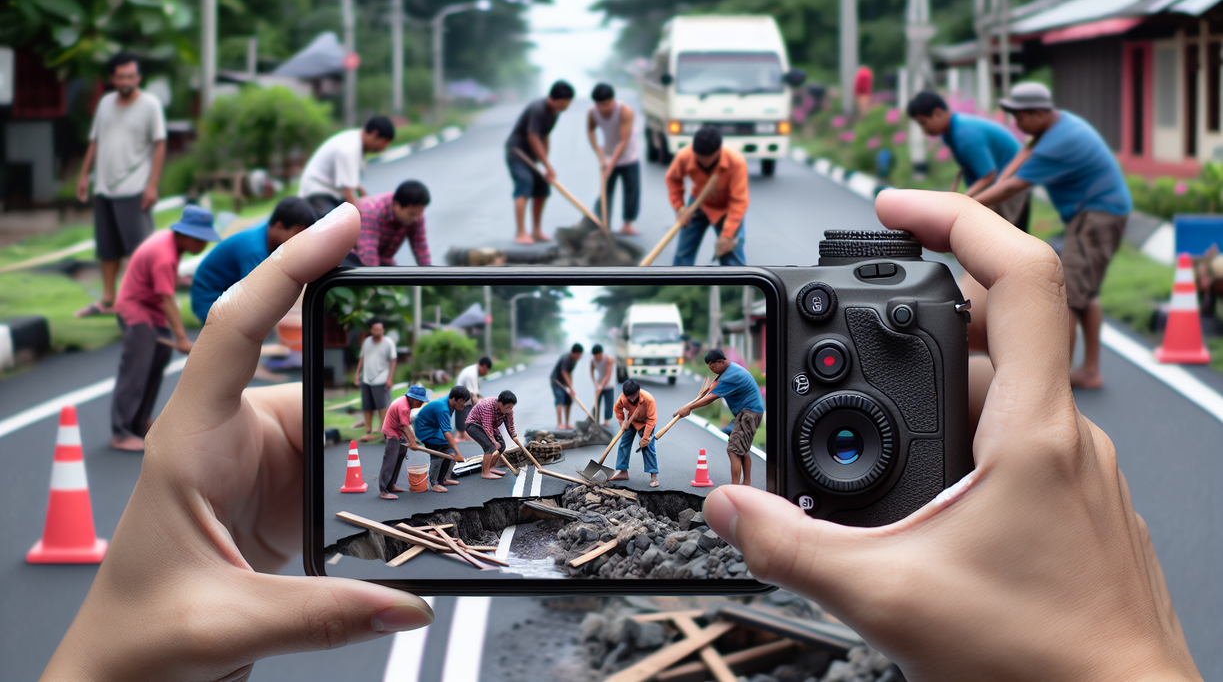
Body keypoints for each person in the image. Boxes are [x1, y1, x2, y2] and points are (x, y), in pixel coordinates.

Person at [37, 199, 1202, 682]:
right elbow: (466, 433)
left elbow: (677, 410)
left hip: (704, 418)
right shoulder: (470, 407)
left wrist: (663, 443)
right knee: (476, 466)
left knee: (728, 464)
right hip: (466, 427)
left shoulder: (720, 388)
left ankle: (762, 493)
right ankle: (755, 491)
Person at [973, 82, 1132, 390]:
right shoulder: (1054, 127)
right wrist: (988, 191)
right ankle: (1089, 370)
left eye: (1020, 117)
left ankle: (1059, 381)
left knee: (1070, 299)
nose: (1017, 124)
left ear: (1039, 113)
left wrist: (967, 205)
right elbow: (1020, 158)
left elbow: (1013, 186)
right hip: (1098, 212)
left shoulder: (1061, 140)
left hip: (1097, 216)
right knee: (1085, 294)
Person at [109, 205, 220, 450]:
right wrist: (181, 337)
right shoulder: (164, 255)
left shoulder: (171, 245)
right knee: (136, 370)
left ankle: (139, 421)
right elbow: (166, 299)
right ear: (187, 236)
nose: (203, 246)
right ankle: (121, 431)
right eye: (201, 240)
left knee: (158, 359)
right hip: (136, 310)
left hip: (150, 309)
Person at [74, 51, 167, 318]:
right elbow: (95, 140)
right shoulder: (105, 104)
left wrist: (152, 185)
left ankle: (143, 301)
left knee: (140, 249)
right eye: (121, 76)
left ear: (138, 77)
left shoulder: (150, 104)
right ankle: (107, 299)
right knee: (107, 248)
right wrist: (84, 175)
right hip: (104, 187)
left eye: (132, 76)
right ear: (112, 78)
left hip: (135, 187)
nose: (127, 80)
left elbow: (160, 144)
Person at [906, 90, 1029, 231]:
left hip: (1013, 180)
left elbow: (989, 175)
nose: (924, 129)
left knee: (1007, 235)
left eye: (923, 123)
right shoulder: (953, 129)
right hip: (1001, 179)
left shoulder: (964, 135)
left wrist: (965, 199)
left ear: (938, 113)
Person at [190, 197, 317, 325]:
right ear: (279, 226)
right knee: (240, 332)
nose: (300, 241)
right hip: (209, 297)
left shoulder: (269, 232)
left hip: (228, 291)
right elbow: (255, 299)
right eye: (297, 234)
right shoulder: (255, 251)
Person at [672, 349, 763, 485]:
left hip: (749, 413)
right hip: (748, 412)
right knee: (742, 449)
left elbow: (711, 398)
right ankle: (746, 483)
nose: (711, 368)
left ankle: (735, 487)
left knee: (733, 449)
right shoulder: (727, 372)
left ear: (721, 361)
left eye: (712, 365)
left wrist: (689, 407)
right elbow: (711, 391)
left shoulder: (731, 375)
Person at [667, 126, 750, 266]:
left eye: (708, 158)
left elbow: (739, 201)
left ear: (719, 151)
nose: (704, 162)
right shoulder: (684, 156)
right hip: (698, 204)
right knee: (682, 254)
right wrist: (679, 207)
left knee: (730, 256)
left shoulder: (736, 162)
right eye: (700, 158)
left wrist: (727, 234)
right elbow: (673, 179)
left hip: (726, 209)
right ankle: (679, 285)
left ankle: (734, 287)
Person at [506, 80, 575, 244]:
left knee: (543, 187)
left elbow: (544, 137)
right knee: (525, 184)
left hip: (532, 157)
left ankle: (536, 230)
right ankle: (520, 233)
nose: (567, 106)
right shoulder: (539, 109)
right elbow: (533, 136)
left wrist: (545, 165)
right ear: (555, 99)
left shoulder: (554, 114)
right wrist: (548, 165)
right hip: (517, 153)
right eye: (565, 102)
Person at [298, 116, 395, 215]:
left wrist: (366, 200)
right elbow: (349, 192)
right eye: (385, 143)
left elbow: (353, 184)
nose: (383, 148)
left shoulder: (356, 142)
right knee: (337, 224)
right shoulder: (350, 148)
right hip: (318, 192)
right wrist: (360, 218)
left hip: (332, 193)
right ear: (375, 133)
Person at [587, 83, 641, 234]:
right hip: (608, 154)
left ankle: (627, 224)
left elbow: (623, 141)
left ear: (613, 100)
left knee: (631, 190)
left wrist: (610, 166)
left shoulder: (625, 111)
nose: (603, 108)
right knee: (606, 191)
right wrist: (600, 157)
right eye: (599, 105)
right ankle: (604, 225)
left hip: (628, 156)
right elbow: (590, 131)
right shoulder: (592, 112)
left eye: (606, 104)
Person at [343, 180, 432, 267]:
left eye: (419, 214)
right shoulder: (371, 210)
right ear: (397, 206)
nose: (416, 219)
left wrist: (429, 277)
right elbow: (368, 253)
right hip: (354, 258)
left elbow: (421, 248)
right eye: (411, 214)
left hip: (383, 259)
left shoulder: (415, 215)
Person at [413, 386, 471, 493]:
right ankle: (434, 483)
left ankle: (444, 479)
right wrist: (458, 453)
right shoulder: (443, 408)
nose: (463, 406)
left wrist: (456, 453)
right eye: (462, 403)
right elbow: (446, 432)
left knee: (451, 453)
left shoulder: (451, 402)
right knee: (438, 454)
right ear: (454, 399)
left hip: (434, 427)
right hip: (424, 429)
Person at [377, 385, 428, 500]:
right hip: (392, 433)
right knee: (390, 461)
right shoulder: (404, 407)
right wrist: (413, 443)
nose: (421, 403)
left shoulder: (406, 403)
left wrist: (413, 441)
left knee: (400, 457)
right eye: (420, 400)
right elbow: (406, 427)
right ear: (412, 398)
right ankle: (384, 490)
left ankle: (391, 485)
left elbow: (406, 426)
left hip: (398, 431)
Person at [353, 322, 398, 442]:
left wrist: (390, 379)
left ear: (383, 330)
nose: (377, 331)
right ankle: (368, 430)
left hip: (381, 378)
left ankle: (385, 432)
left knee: (382, 406)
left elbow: (393, 361)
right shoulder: (367, 341)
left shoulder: (388, 342)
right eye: (374, 329)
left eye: (379, 329)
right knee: (367, 406)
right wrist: (357, 373)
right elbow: (362, 358)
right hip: (366, 378)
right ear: (371, 330)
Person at [610, 379, 659, 487]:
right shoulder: (622, 398)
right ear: (625, 394)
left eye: (634, 396)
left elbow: (652, 420)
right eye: (629, 397)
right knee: (624, 443)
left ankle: (653, 477)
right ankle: (622, 471)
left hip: (646, 423)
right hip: (631, 421)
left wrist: (645, 438)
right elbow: (617, 410)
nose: (632, 399)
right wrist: (622, 423)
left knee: (647, 446)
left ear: (638, 391)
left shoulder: (648, 399)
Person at [465, 391, 522, 480]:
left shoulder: (508, 410)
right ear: (500, 403)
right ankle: (485, 472)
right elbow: (487, 426)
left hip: (489, 427)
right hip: (474, 425)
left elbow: (510, 424)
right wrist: (494, 442)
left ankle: (491, 468)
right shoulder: (487, 406)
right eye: (508, 407)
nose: (510, 410)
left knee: (502, 446)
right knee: (490, 447)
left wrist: (513, 436)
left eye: (512, 407)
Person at [454, 356, 492, 442]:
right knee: (471, 411)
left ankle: (461, 435)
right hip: (461, 399)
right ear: (485, 366)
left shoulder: (474, 371)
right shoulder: (471, 373)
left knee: (473, 407)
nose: (486, 373)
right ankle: (465, 435)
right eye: (487, 370)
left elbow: (476, 393)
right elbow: (473, 394)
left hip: (463, 398)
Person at [551, 343, 583, 430]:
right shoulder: (567, 358)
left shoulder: (574, 360)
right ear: (576, 353)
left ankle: (567, 423)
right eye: (580, 354)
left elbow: (569, 373)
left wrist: (570, 388)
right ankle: (560, 423)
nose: (580, 356)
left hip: (565, 383)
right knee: (560, 399)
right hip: (557, 381)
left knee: (569, 400)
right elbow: (564, 372)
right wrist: (571, 388)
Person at [590, 343, 615, 427]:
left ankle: (606, 422)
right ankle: (595, 421)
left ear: (601, 353)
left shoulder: (607, 359)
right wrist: (596, 384)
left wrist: (602, 385)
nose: (596, 357)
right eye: (595, 356)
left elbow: (608, 375)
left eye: (598, 355)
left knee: (608, 405)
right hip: (599, 385)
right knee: (596, 404)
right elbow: (592, 373)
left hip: (608, 385)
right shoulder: (592, 360)